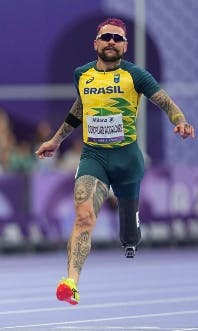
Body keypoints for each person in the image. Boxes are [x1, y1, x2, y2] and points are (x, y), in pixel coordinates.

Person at [35, 18, 195, 305]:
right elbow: (79, 109)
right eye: (106, 37)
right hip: (94, 156)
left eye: (117, 38)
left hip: (128, 158)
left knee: (128, 234)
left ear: (125, 46)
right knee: (84, 217)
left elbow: (164, 101)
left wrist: (180, 120)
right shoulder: (82, 74)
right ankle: (70, 282)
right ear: (95, 43)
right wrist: (56, 140)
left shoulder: (135, 75)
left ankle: (131, 233)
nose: (111, 41)